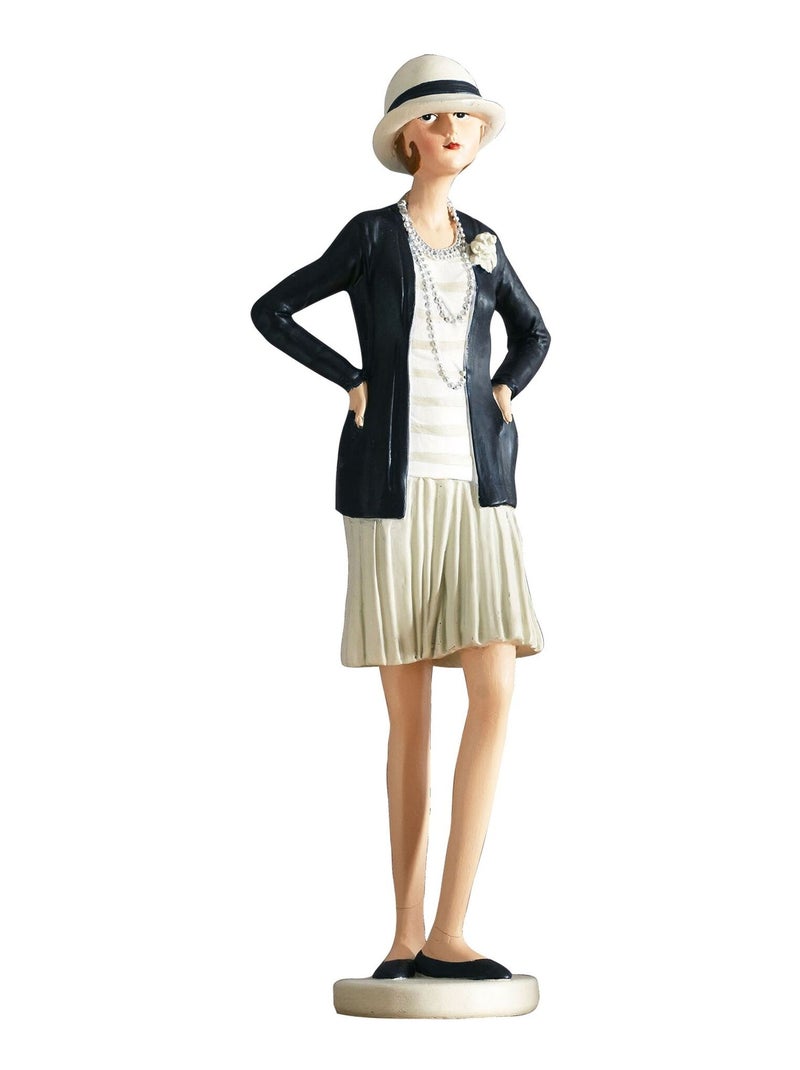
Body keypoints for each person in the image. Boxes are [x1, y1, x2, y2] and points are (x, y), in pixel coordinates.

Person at [250, 54, 551, 981]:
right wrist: (349, 379)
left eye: (467, 116)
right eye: (437, 116)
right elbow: (274, 308)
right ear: (407, 137)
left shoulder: (485, 241)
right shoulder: (372, 235)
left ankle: (452, 930)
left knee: (495, 689)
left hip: (480, 491)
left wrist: (506, 387)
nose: (455, 128)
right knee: (410, 716)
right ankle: (406, 936)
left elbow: (536, 330)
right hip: (390, 493)